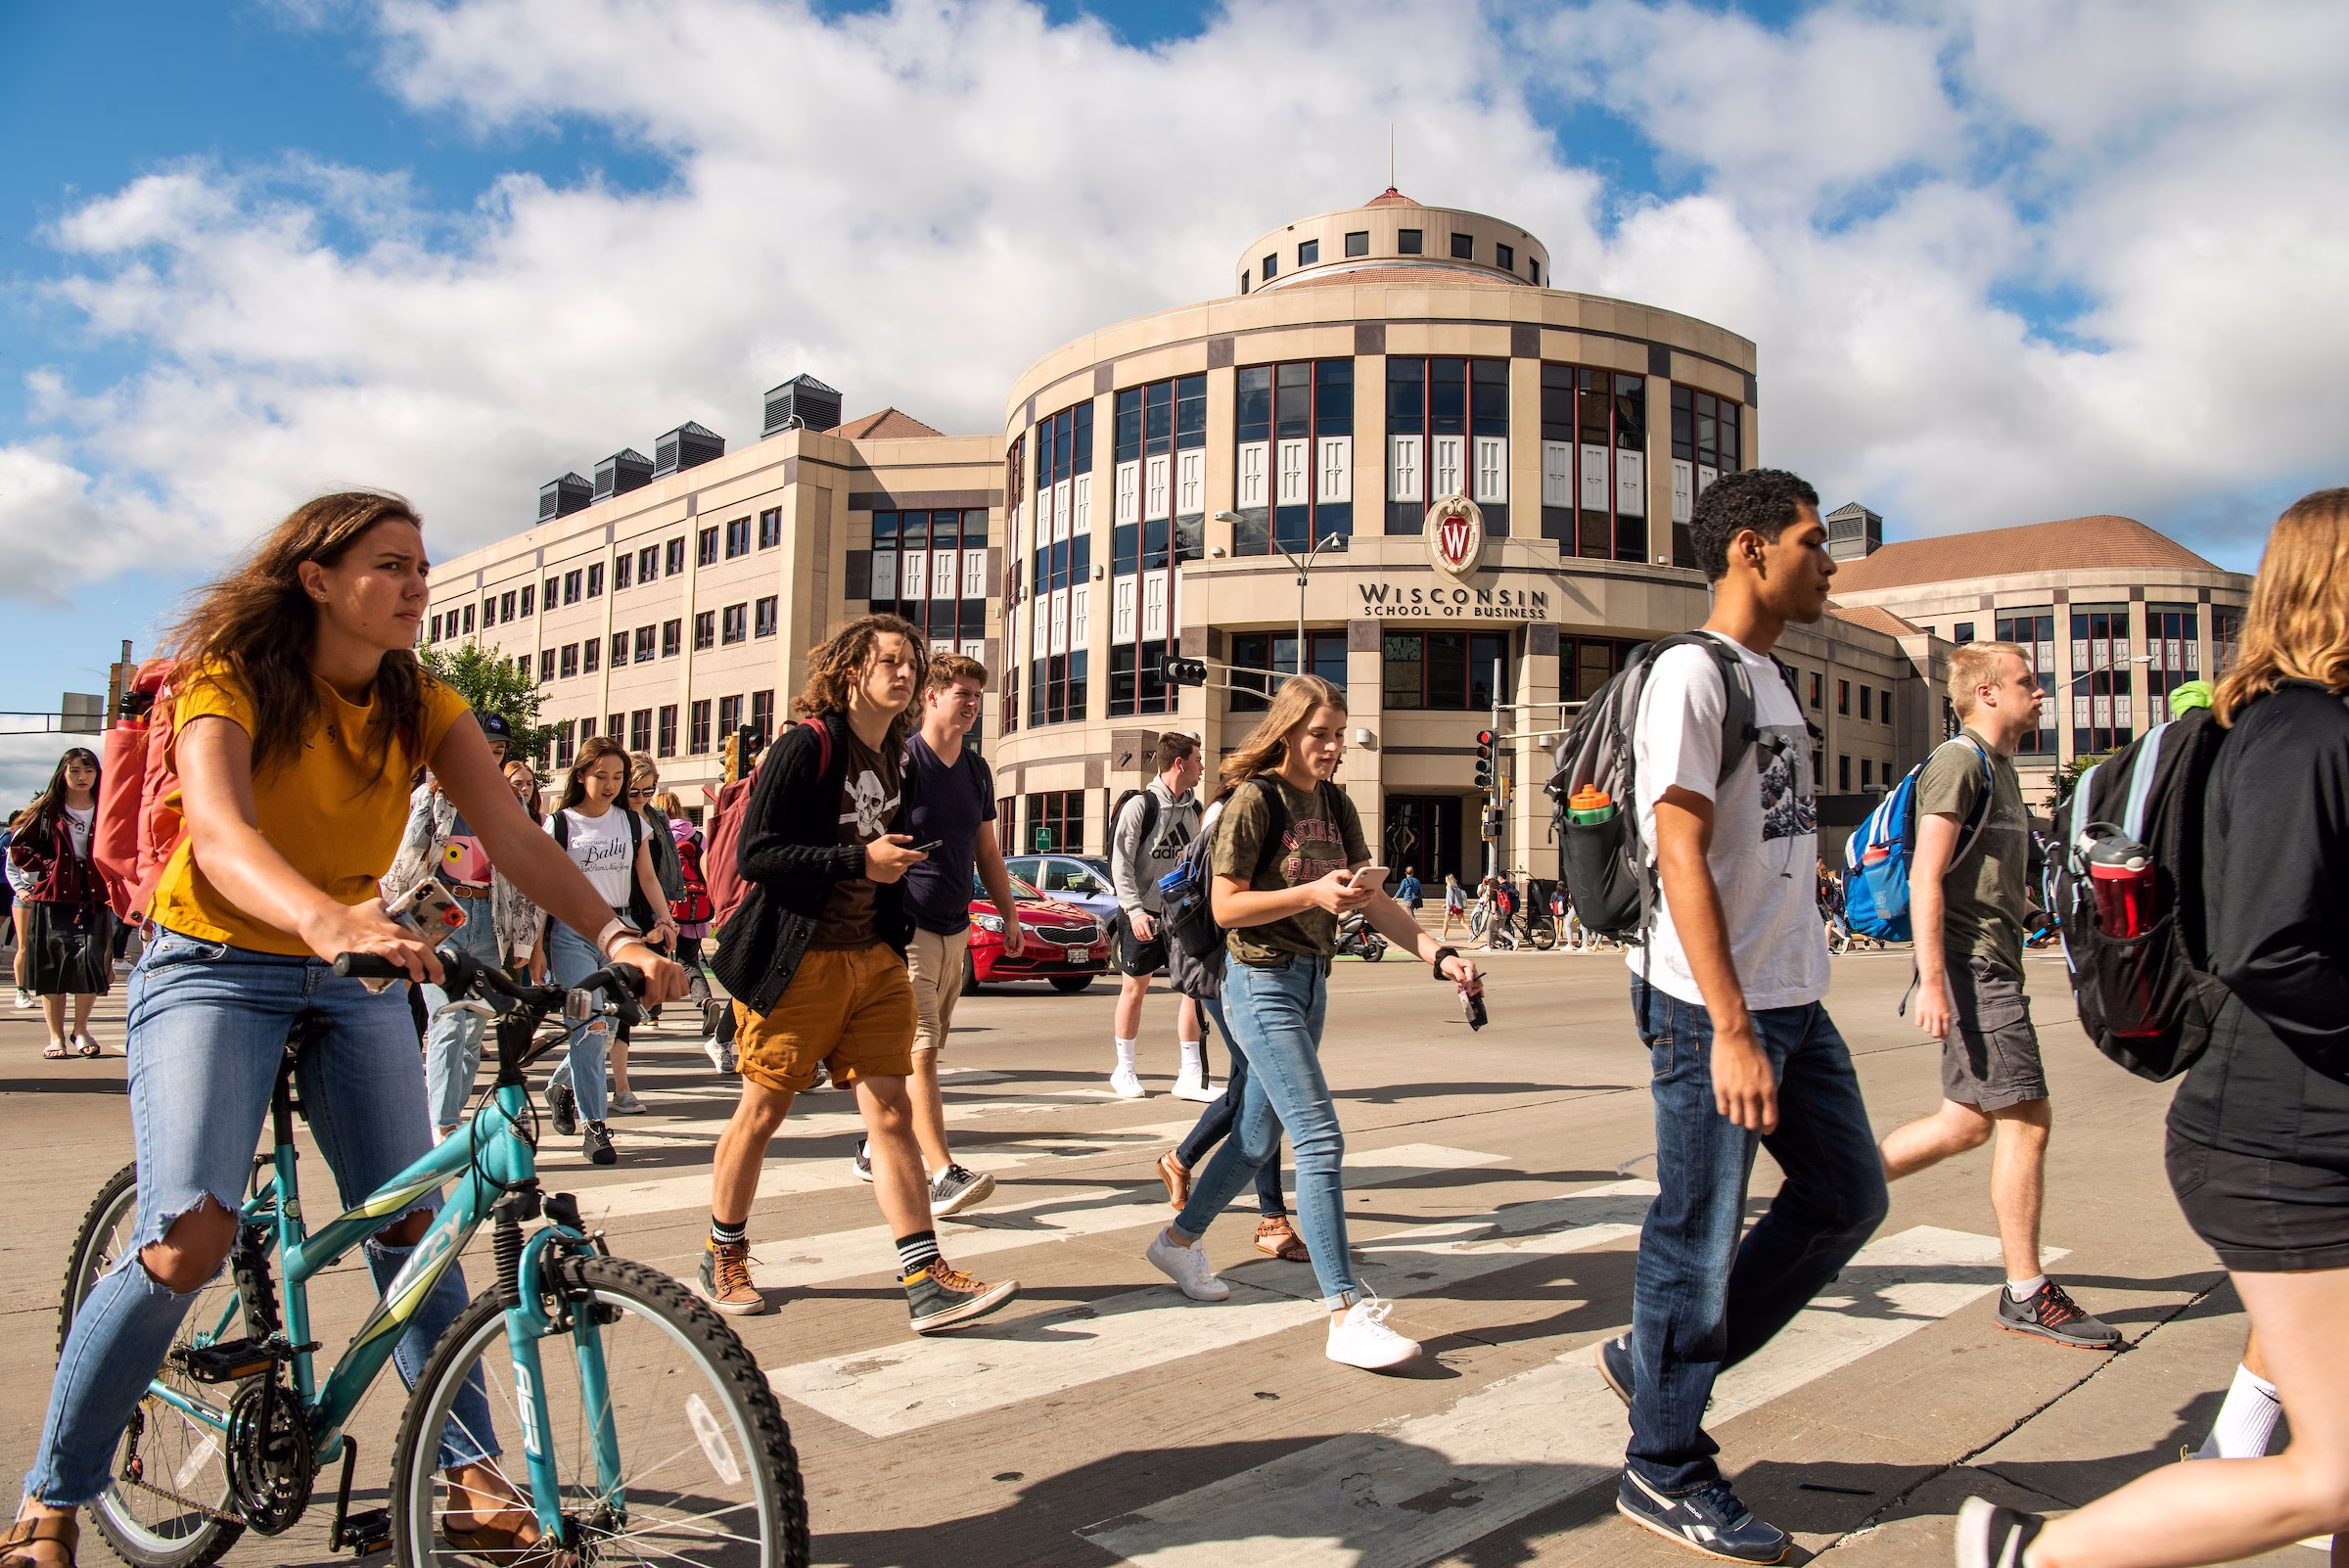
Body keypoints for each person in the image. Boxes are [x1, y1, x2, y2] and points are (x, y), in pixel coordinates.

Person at [0, 492, 684, 1568]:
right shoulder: (231, 674)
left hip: (353, 969)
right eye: (389, 565)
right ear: (316, 578)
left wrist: (615, 932)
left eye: (423, 566)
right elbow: (220, 835)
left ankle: (468, 1479)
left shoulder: (423, 701)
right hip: (216, 963)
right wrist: (324, 916)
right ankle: (51, 1496)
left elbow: (509, 832)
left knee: (413, 1225)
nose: (417, 585)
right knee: (189, 1240)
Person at [1958, 488, 2349, 1568]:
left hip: (2304, 1129)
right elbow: (2273, 944)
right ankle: (2032, 1555)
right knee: (2334, 1473)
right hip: (2282, 1142)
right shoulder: (2299, 732)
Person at [1593, 469, 1887, 1564]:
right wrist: (1726, 1025)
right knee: (1697, 1230)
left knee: (1847, 1195)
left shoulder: (1772, 677)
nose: (1831, 562)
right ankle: (1662, 1465)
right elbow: (1677, 847)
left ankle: (1655, 1362)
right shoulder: (1692, 673)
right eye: (1815, 542)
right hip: (1713, 1006)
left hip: (1789, 996)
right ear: (1751, 549)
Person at [1141, 673, 1484, 1370]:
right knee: (1319, 1138)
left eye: (1338, 735)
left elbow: (1373, 899)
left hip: (1309, 982)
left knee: (1256, 1136)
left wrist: (1439, 952)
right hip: (1257, 982)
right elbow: (1229, 906)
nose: (1330, 748)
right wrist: (1310, 890)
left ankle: (1177, 1244)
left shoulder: (1334, 802)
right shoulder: (1253, 800)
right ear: (1288, 732)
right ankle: (1345, 1313)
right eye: (1319, 735)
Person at [700, 614, 1019, 1331]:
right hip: (800, 958)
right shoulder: (805, 747)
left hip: (873, 955)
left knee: (892, 1112)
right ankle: (723, 1250)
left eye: (911, 663)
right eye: (889, 662)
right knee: (763, 1111)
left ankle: (925, 1276)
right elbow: (760, 856)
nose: (904, 674)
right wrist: (858, 861)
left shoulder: (893, 759)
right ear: (852, 672)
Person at [1877, 642, 2119, 1349]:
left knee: (1964, 1124)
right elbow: (1927, 875)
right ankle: (2026, 1291)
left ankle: (1829, 1200)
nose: (2039, 693)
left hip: (1992, 967)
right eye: (2026, 682)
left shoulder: (2002, 770)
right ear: (1986, 692)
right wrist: (1934, 979)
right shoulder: (1961, 762)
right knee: (2027, 1119)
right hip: (1972, 971)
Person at [871, 652, 1026, 1216]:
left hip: (955, 927)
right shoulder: (903, 762)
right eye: (961, 693)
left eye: (976, 696)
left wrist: (1007, 914)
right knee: (923, 1051)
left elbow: (987, 848)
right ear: (930, 697)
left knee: (924, 1048)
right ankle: (941, 1173)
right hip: (907, 925)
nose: (971, 704)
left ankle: (875, 1141)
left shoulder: (977, 769)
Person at [1156, 787, 1308, 1262]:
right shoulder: (1237, 810)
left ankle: (1180, 1160)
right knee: (1265, 1091)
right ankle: (1271, 1220)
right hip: (1223, 970)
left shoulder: (1268, 809)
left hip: (1250, 970)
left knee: (1252, 1092)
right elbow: (1219, 901)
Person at [384, 715, 544, 1141]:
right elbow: (405, 860)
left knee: (474, 1022)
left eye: (499, 752)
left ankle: (452, 1113)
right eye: (484, 748)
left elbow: (525, 874)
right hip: (439, 913)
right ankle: (443, 1121)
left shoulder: (513, 803)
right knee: (446, 1019)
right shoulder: (433, 797)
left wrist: (526, 940)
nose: (491, 759)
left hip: (492, 919)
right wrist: (390, 921)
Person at [539, 737, 678, 1159]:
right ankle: (596, 1126)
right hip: (570, 933)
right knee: (590, 1027)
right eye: (601, 776)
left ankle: (561, 1085)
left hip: (622, 930)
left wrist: (665, 919)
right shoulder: (560, 824)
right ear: (581, 774)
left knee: (610, 1023)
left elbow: (648, 877)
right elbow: (544, 886)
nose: (611, 785)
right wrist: (535, 946)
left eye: (618, 777)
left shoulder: (634, 824)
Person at [1108, 733, 1212, 1099]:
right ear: (1180, 763)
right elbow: (1119, 865)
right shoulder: (1141, 805)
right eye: (1198, 759)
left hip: (1182, 915)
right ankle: (1124, 1070)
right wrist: (1134, 911)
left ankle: (1190, 1075)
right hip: (1143, 914)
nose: (1202, 766)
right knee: (1134, 990)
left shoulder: (1195, 809)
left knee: (1193, 990)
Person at [7, 749, 115, 1059]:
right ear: (63, 774)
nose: (82, 777)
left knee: (91, 963)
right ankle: (56, 1037)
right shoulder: (49, 810)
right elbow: (20, 847)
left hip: (94, 895)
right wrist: (50, 864)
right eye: (75, 771)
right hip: (54, 896)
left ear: (97, 774)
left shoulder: (107, 807)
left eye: (89, 770)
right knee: (52, 967)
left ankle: (81, 1029)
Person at [653, 789, 715, 1012]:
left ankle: (652, 1012)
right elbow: (709, 869)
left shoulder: (656, 834)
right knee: (689, 961)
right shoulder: (697, 837)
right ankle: (705, 1001)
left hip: (664, 905)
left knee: (656, 958)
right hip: (694, 907)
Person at [1439, 871, 1468, 939]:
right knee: (1462, 922)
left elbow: (1449, 899)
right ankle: (1471, 933)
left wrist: (1448, 909)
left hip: (1453, 907)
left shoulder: (1449, 888)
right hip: (1458, 906)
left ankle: (1443, 936)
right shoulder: (1456, 887)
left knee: (1446, 921)